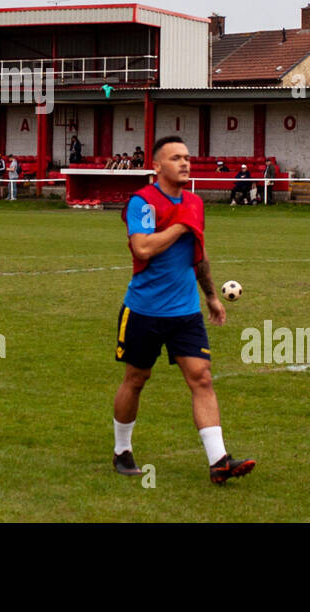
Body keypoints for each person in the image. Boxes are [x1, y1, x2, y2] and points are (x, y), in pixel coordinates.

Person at [113, 135, 255, 485]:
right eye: (176, 158)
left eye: (188, 157)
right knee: (136, 379)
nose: (185, 163)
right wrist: (180, 224)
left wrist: (210, 296)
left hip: (185, 312)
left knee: (202, 378)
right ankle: (122, 450)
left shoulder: (194, 202)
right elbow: (142, 248)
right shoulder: (142, 202)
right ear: (158, 166)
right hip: (144, 310)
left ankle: (218, 460)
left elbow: (199, 253)